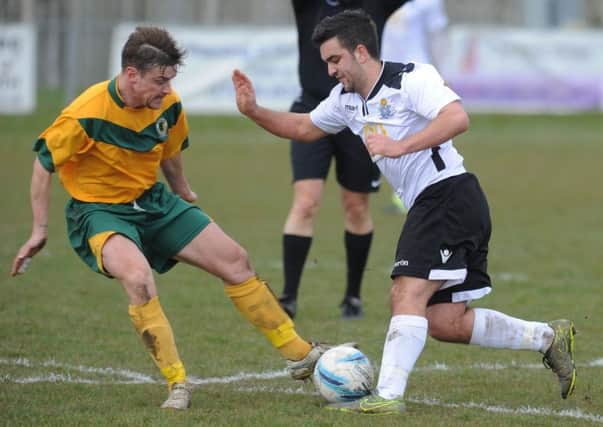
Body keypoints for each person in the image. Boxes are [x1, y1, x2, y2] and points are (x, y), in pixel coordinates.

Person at [232, 9, 576, 415]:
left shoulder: (411, 77)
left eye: (335, 59)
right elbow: (305, 128)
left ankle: (388, 396)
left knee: (405, 292)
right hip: (438, 204)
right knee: (445, 322)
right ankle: (547, 337)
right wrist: (254, 111)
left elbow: (457, 117)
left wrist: (399, 146)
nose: (329, 70)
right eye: (326, 62)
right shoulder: (345, 101)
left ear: (360, 51)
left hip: (448, 195)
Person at [11, 26, 334, 411]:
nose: (166, 90)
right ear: (131, 74)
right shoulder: (85, 113)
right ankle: (177, 383)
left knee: (235, 260)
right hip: (98, 212)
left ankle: (299, 354)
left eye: (171, 80)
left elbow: (170, 147)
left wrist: (182, 189)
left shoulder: (167, 104)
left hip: (153, 202)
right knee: (137, 277)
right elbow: (42, 164)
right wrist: (39, 230)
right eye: (159, 81)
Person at [280, 0, 409, 320]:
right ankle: (288, 297)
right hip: (312, 111)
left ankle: (352, 296)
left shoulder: (373, 5)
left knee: (356, 205)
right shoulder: (310, 6)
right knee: (306, 202)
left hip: (360, 114)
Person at [381, 0, 449, 214]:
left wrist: (441, 72)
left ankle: (434, 188)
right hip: (386, 73)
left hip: (417, 72)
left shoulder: (428, 2)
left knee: (423, 134)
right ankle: (405, 192)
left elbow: (437, 35)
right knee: (394, 133)